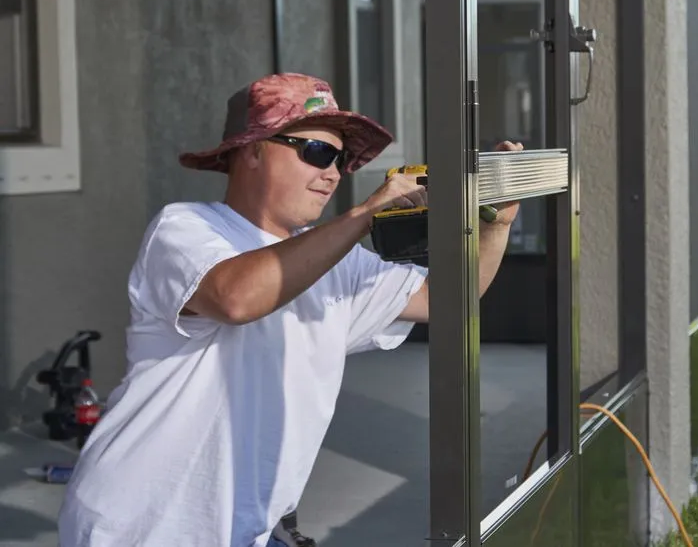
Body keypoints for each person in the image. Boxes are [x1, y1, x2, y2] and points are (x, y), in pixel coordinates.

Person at [57, 73, 521, 547]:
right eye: (318, 152)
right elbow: (236, 298)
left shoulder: (333, 256)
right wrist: (364, 216)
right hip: (143, 527)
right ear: (252, 149)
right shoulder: (186, 228)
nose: (334, 173)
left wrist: (496, 226)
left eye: (340, 160)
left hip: (249, 530)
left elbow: (441, 301)